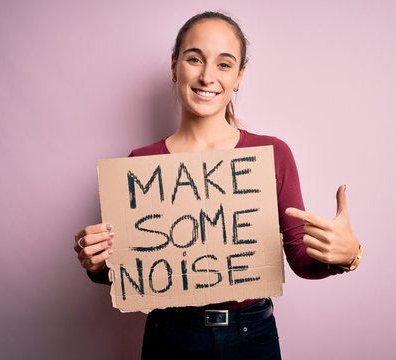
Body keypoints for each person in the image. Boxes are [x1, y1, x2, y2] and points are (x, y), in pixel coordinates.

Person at [73, 11, 363, 360]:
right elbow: (133, 270)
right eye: (194, 59)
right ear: (174, 65)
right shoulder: (141, 163)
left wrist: (346, 257)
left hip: (251, 334)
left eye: (224, 65)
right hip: (171, 334)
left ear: (239, 76)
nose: (207, 76)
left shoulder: (272, 153)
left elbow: (301, 259)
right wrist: (98, 264)